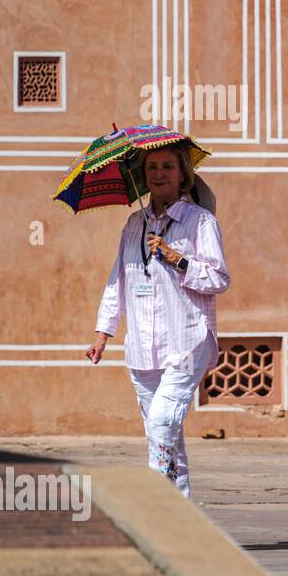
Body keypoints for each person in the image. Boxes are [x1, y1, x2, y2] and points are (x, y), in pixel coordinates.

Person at [86, 144, 230, 498]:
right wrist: (103, 332)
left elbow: (218, 279)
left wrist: (179, 260)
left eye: (168, 166)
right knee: (163, 431)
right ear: (143, 175)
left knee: (164, 422)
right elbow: (118, 279)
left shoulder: (200, 222)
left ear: (183, 174)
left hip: (187, 339)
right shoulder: (134, 224)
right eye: (152, 167)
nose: (159, 173)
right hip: (142, 346)